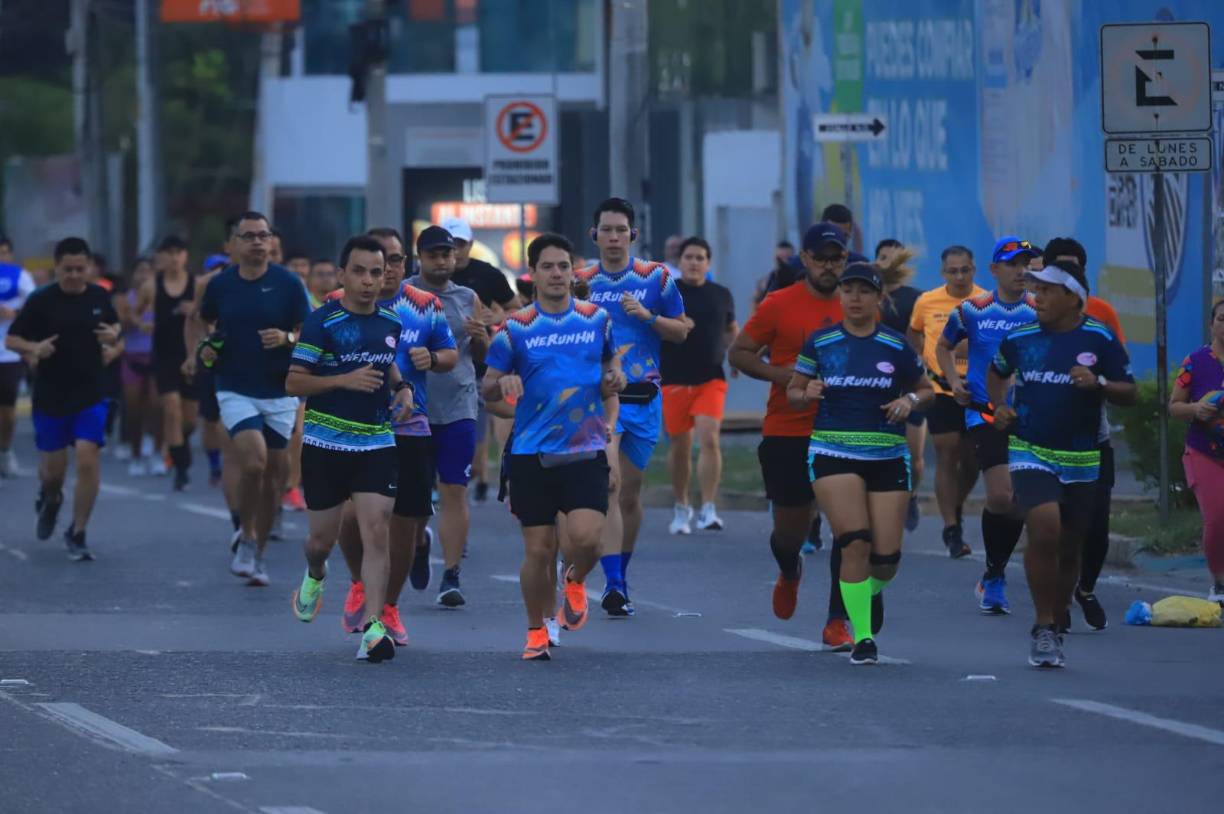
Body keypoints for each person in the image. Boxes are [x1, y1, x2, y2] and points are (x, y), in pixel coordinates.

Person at [484, 233, 626, 660]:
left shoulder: (596, 319)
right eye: (548, 266)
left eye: (564, 266)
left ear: (572, 271)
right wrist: (503, 383)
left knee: (588, 540)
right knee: (539, 550)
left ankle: (576, 579)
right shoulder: (515, 328)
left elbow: (610, 366)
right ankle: (535, 631)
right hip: (531, 453)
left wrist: (614, 378)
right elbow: (487, 387)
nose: (558, 274)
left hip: (584, 448)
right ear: (534, 273)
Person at [988, 260, 1135, 668]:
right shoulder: (1020, 338)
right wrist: (999, 406)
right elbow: (996, 372)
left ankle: (1057, 612)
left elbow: (1130, 391)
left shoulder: (1099, 338)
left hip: (1083, 455)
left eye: (1048, 291)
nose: (1038, 297)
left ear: (1073, 298)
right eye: (1036, 290)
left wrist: (1099, 383)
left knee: (1071, 544)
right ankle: (1043, 625)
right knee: (1045, 528)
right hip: (1030, 448)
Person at [786, 263, 933, 665]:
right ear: (840, 296)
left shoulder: (896, 344)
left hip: (887, 455)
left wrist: (909, 402)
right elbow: (793, 393)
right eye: (847, 290)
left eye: (863, 291)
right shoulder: (822, 342)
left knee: (886, 560)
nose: (854, 298)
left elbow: (925, 389)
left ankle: (867, 593)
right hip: (834, 451)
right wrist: (807, 391)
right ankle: (863, 636)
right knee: (855, 542)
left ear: (878, 297)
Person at [287, 235, 414, 662]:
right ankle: (316, 573)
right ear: (342, 275)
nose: (368, 281)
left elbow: (387, 360)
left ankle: (374, 628)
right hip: (325, 442)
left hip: (376, 440)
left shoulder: (391, 323)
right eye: (358, 271)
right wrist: (342, 380)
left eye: (376, 273)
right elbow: (294, 382)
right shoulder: (321, 321)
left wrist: (403, 387)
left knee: (376, 531)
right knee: (320, 541)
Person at [729, 221, 854, 650]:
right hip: (788, 429)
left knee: (848, 528)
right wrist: (786, 377)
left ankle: (839, 618)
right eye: (819, 258)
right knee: (790, 530)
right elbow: (740, 352)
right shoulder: (779, 304)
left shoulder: (861, 303)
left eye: (836, 258)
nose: (828, 266)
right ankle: (789, 568)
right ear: (804, 259)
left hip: (848, 431)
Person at [578, 197, 689, 616]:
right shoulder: (581, 280)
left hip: (645, 397)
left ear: (633, 235)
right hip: (600, 400)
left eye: (620, 230)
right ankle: (615, 584)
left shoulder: (656, 278)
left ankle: (620, 569)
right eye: (605, 230)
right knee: (610, 482)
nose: (612, 237)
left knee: (630, 494)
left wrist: (647, 316)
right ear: (594, 235)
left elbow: (680, 332)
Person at [194, 212, 309, 586]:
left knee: (275, 475)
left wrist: (287, 339)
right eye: (249, 236)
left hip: (279, 390)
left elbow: (309, 331)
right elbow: (198, 320)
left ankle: (256, 553)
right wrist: (196, 351)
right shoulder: (220, 285)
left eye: (264, 235)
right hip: (234, 386)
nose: (258, 242)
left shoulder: (289, 284)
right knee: (255, 462)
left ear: (272, 242)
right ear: (234, 245)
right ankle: (245, 536)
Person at [938, 236, 1038, 614]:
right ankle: (994, 575)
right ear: (995, 270)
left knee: (1022, 503)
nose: (1020, 271)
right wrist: (953, 381)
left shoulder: (1039, 309)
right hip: (985, 413)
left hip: (1033, 418)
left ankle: (994, 571)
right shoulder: (972, 310)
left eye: (1026, 263)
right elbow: (943, 346)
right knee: (1001, 497)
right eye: (1012, 264)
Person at [6, 237, 123, 560]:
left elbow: (114, 326)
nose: (74, 275)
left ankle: (78, 531)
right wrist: (34, 349)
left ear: (88, 268)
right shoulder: (41, 301)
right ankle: (50, 498)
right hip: (51, 394)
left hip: (91, 392)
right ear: (56, 267)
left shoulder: (99, 295)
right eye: (67, 269)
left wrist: (114, 337)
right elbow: (13, 338)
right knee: (53, 473)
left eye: (80, 269)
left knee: (88, 457)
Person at [1040, 237, 1126, 631]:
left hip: (1093, 440)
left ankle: (1084, 588)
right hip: (1039, 442)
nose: (1066, 275)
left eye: (1073, 268)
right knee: (1050, 525)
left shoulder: (1103, 316)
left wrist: (1098, 382)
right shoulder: (1034, 316)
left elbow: (1121, 377)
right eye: (1057, 267)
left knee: (1095, 527)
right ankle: (1054, 607)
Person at [407, 225, 490, 607]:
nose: (442, 261)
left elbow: (484, 359)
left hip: (459, 404)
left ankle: (451, 575)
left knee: (455, 488)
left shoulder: (468, 297)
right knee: (413, 495)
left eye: (448, 254)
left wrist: (481, 338)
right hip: (413, 407)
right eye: (434, 255)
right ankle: (419, 542)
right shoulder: (403, 296)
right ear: (419, 258)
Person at [909, 245, 987, 558]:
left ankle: (953, 503)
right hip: (941, 389)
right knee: (947, 450)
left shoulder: (986, 301)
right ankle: (951, 528)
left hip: (977, 389)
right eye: (952, 271)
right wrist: (924, 366)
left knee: (973, 459)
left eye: (964, 270)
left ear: (973, 270)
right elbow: (914, 335)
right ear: (943, 273)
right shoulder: (927, 301)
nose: (958, 276)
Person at [661, 236, 737, 534]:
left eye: (700, 257)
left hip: (710, 377)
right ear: (679, 263)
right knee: (680, 446)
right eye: (688, 257)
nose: (694, 263)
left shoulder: (721, 294)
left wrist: (736, 356)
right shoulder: (667, 294)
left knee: (709, 438)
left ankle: (708, 508)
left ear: (708, 263)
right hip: (674, 378)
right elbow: (651, 325)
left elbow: (732, 329)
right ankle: (681, 507)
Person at [439, 216, 517, 503]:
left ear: (470, 245)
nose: (454, 252)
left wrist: (497, 318)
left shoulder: (487, 274)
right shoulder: (426, 279)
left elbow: (517, 311)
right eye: (448, 246)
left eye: (459, 245)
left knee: (477, 424)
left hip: (478, 363)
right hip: (436, 365)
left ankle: (479, 475)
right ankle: (448, 480)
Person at [134, 235, 199, 491]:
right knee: (171, 408)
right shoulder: (152, 285)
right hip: (164, 357)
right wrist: (143, 324)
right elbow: (135, 313)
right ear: (161, 257)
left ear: (185, 256)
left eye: (178, 252)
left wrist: (194, 310)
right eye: (168, 253)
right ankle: (181, 465)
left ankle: (178, 447)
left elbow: (211, 316)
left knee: (190, 420)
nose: (174, 258)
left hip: (191, 356)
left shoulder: (197, 285)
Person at [1170, 299, 1224, 603]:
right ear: (1211, 324)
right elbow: (1174, 406)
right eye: (1222, 319)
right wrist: (1196, 408)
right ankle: (1219, 581)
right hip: (1204, 451)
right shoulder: (1195, 362)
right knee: (1217, 517)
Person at [875, 239, 925, 531]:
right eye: (882, 257)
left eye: (894, 258)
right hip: (873, 383)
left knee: (915, 459)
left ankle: (912, 495)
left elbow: (923, 339)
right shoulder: (867, 295)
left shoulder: (916, 299)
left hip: (908, 383)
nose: (888, 263)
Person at [115, 256, 160, 473]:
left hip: (157, 358)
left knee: (156, 405)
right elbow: (121, 324)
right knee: (133, 409)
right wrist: (139, 316)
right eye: (140, 271)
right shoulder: (125, 299)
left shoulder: (163, 297)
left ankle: (156, 449)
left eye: (148, 271)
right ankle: (135, 453)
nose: (144, 276)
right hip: (132, 358)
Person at [0, 245, 37, 476]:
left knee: (8, 410)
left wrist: (14, 314)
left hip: (10, 353)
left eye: (4, 252)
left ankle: (5, 450)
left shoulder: (19, 276)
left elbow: (34, 305)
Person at [753, 241, 795, 309]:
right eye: (780, 258)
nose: (783, 261)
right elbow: (755, 306)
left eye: (787, 258)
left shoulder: (799, 281)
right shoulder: (764, 282)